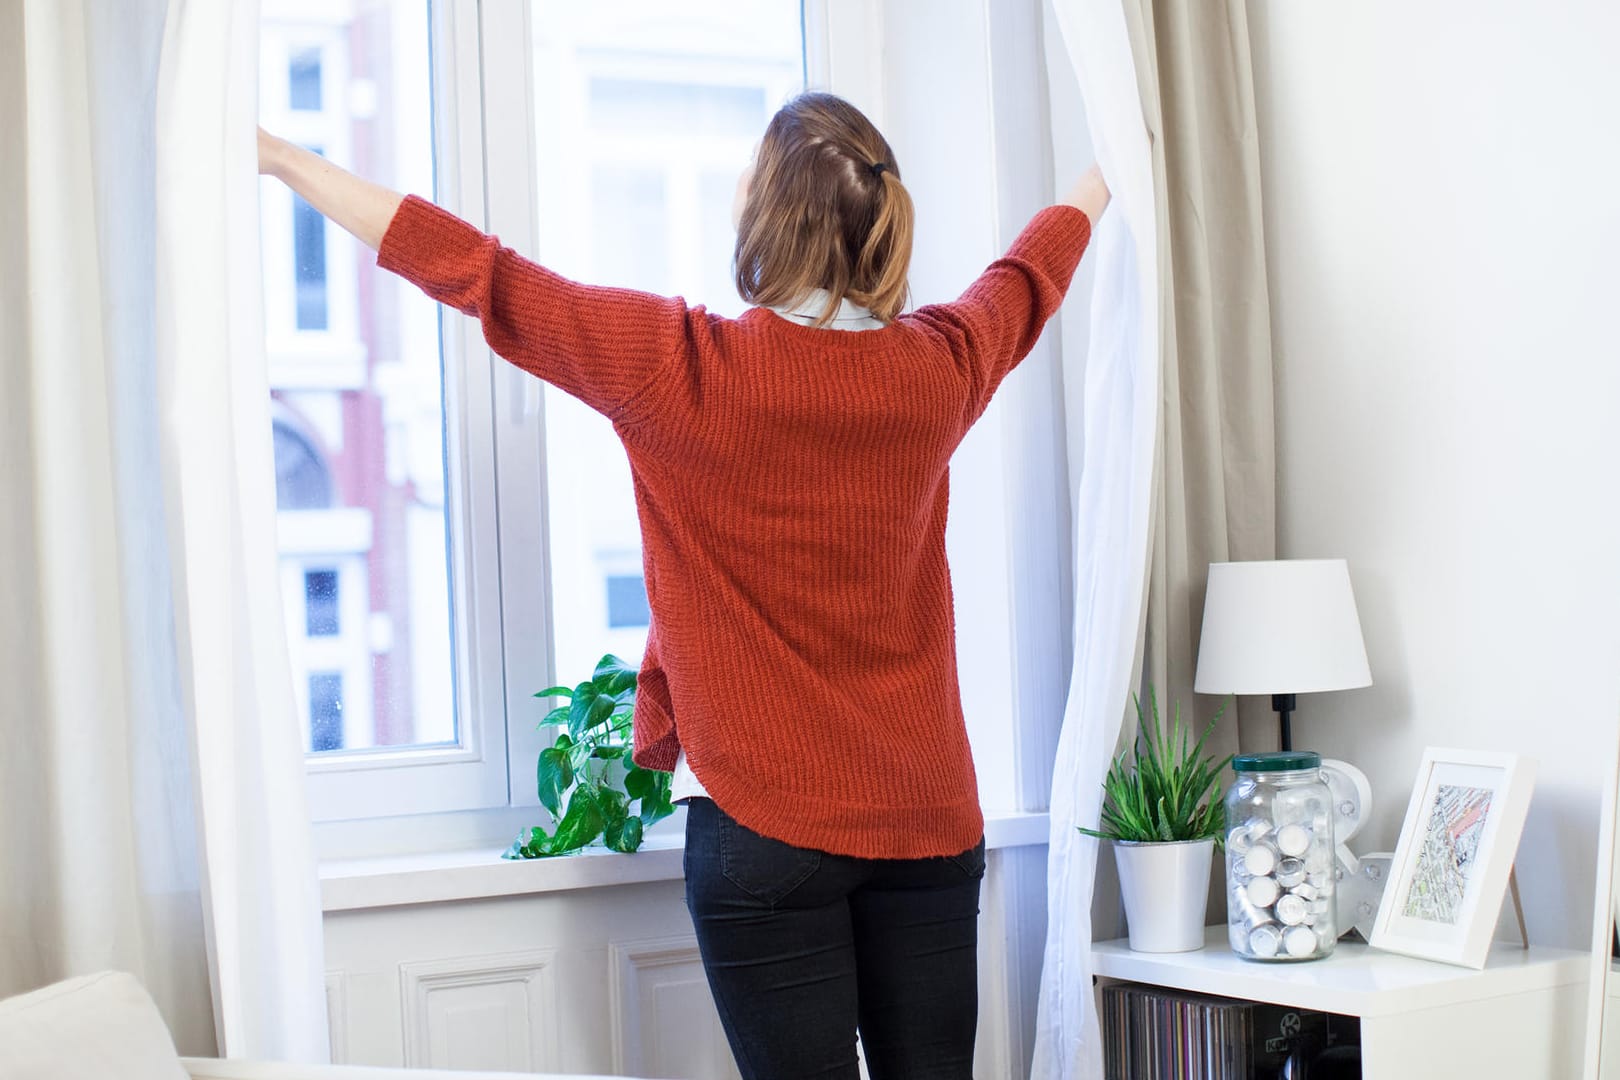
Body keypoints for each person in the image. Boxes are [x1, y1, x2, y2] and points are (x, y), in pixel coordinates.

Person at [260, 90, 1107, 1080]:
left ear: (762, 208)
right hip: (925, 820)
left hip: (764, 831)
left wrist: (288, 159)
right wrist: (1106, 173)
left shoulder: (677, 364)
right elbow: (1028, 276)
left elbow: (480, 277)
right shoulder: (939, 366)